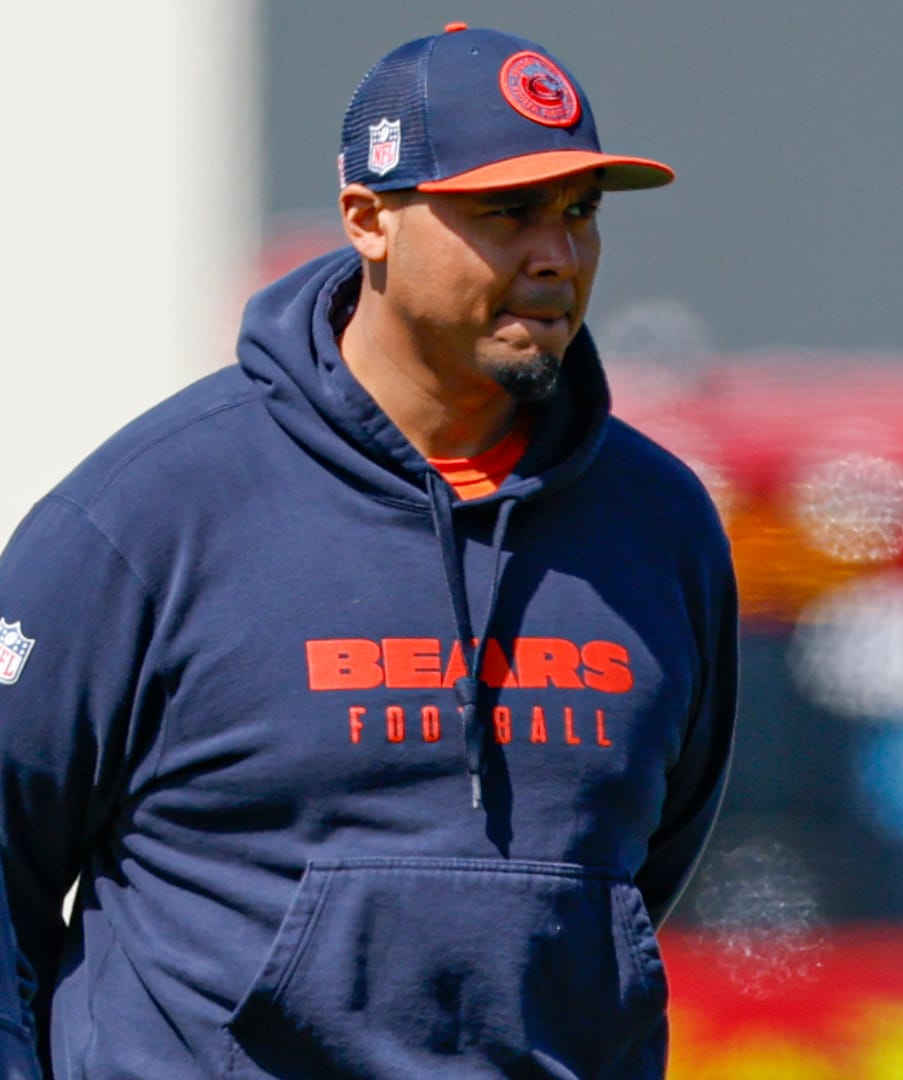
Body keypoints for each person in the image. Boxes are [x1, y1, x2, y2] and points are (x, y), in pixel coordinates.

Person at [0, 24, 736, 1078]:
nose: (556, 256)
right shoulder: (148, 513)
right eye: (507, 211)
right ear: (369, 221)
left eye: (580, 214)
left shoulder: (659, 526)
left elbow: (628, 881)